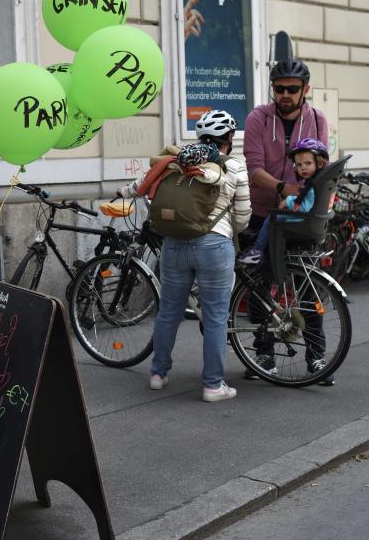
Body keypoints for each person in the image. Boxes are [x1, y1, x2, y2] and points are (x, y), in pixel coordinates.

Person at [119, 110, 251, 402]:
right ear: (229, 137)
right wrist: (231, 229)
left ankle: (158, 374)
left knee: (168, 313)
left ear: (200, 137)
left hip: (174, 242)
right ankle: (213, 386)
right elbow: (243, 216)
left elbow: (142, 184)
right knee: (215, 318)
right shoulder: (235, 166)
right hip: (215, 245)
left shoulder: (178, 160)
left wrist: (121, 192)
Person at [243, 59, 328, 235]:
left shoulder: (317, 120)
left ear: (306, 90)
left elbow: (322, 168)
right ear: (273, 88)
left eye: (293, 89)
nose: (285, 94)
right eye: (279, 89)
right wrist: (283, 187)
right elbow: (254, 170)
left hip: (298, 213)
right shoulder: (258, 118)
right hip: (260, 212)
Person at [238, 138, 329, 266]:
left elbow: (305, 207)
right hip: (308, 220)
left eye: (308, 163)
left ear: (319, 163)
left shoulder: (313, 186)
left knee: (272, 219)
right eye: (299, 165)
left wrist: (288, 201)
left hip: (304, 221)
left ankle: (257, 251)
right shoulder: (316, 182)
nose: (303, 167)